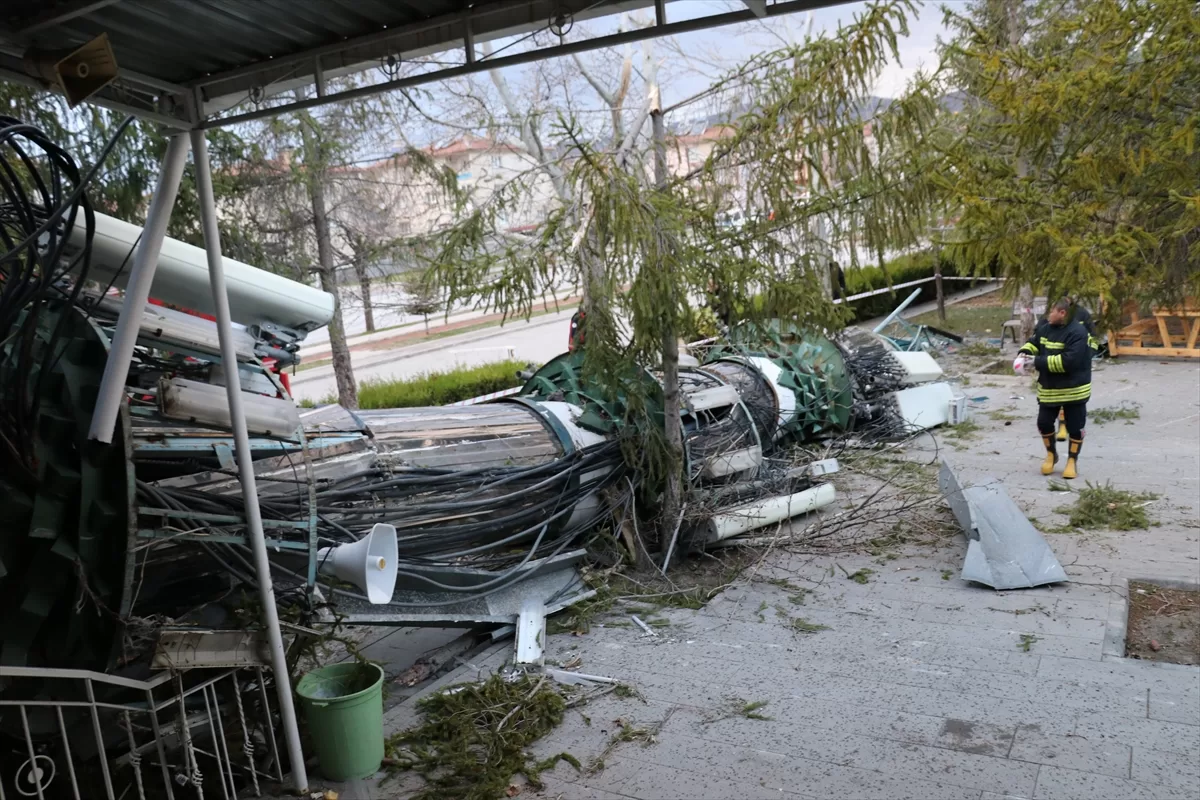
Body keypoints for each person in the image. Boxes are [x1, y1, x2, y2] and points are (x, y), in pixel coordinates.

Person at [1015, 297, 1092, 479]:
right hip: (1049, 389)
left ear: (1062, 313)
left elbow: (1068, 362)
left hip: (1074, 389)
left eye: (1051, 311)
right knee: (1043, 423)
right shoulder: (1045, 328)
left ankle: (1072, 460)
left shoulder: (1078, 332)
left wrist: (1036, 362)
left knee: (1075, 427)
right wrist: (1024, 353)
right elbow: (1035, 342)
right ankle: (1051, 454)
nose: (1048, 315)